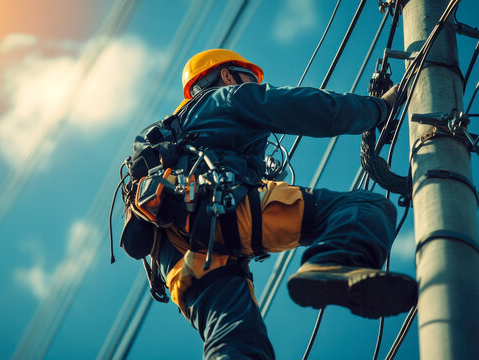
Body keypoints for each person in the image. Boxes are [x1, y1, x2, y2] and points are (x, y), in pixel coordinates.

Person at [119, 49, 417, 359]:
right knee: (365, 210)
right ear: (226, 75)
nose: (252, 84)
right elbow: (312, 109)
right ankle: (331, 264)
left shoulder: (166, 136)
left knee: (237, 345)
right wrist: (380, 108)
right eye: (247, 77)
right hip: (220, 209)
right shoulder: (226, 99)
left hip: (174, 257)